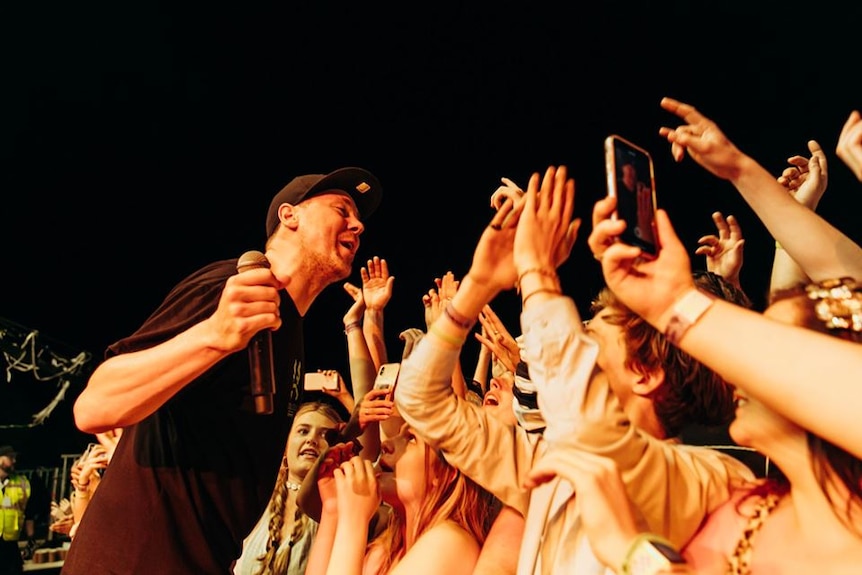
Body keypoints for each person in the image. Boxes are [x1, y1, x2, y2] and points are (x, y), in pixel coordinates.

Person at [395, 165, 754, 574]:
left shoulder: (709, 477)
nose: (571, 351)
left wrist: (537, 273)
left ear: (645, 372)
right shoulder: (550, 463)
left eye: (591, 343)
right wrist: (478, 285)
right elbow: (420, 401)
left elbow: (592, 429)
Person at [62, 167, 382, 574]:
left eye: (359, 218)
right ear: (290, 216)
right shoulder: (231, 287)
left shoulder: (291, 331)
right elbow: (93, 407)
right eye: (342, 209)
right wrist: (214, 334)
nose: (357, 224)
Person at [305, 417, 493, 575]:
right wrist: (333, 511)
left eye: (411, 438)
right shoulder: (385, 550)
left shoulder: (451, 544)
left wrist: (354, 521)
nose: (386, 445)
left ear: (448, 473)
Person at [233, 401, 344, 575]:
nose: (312, 440)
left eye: (324, 435)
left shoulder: (336, 511)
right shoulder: (256, 497)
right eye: (303, 431)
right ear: (284, 445)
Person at [0, 445, 34, 575]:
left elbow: (28, 512)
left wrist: (31, 538)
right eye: (10, 457)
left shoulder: (21, 482)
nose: (14, 461)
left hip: (10, 544)